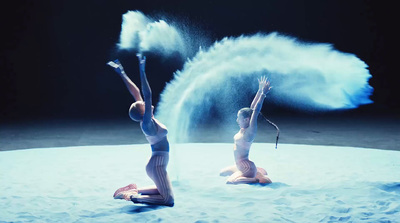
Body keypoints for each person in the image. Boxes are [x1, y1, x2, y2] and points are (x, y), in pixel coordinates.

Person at [107, 54, 174, 207]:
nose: (145, 103)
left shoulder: (148, 119)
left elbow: (136, 93)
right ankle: (130, 196)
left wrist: (122, 73)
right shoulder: (147, 124)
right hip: (156, 165)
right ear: (143, 113)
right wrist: (142, 69)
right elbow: (147, 95)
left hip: (158, 163)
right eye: (143, 104)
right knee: (168, 200)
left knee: (161, 190)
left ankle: (135, 189)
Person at [219, 76, 273, 185]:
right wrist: (259, 90)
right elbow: (252, 108)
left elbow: (256, 111)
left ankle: (257, 178)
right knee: (222, 173)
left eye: (238, 118)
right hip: (240, 165)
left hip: (247, 168)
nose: (237, 120)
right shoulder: (243, 129)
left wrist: (263, 94)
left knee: (230, 182)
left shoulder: (250, 132)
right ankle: (257, 173)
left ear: (246, 119)